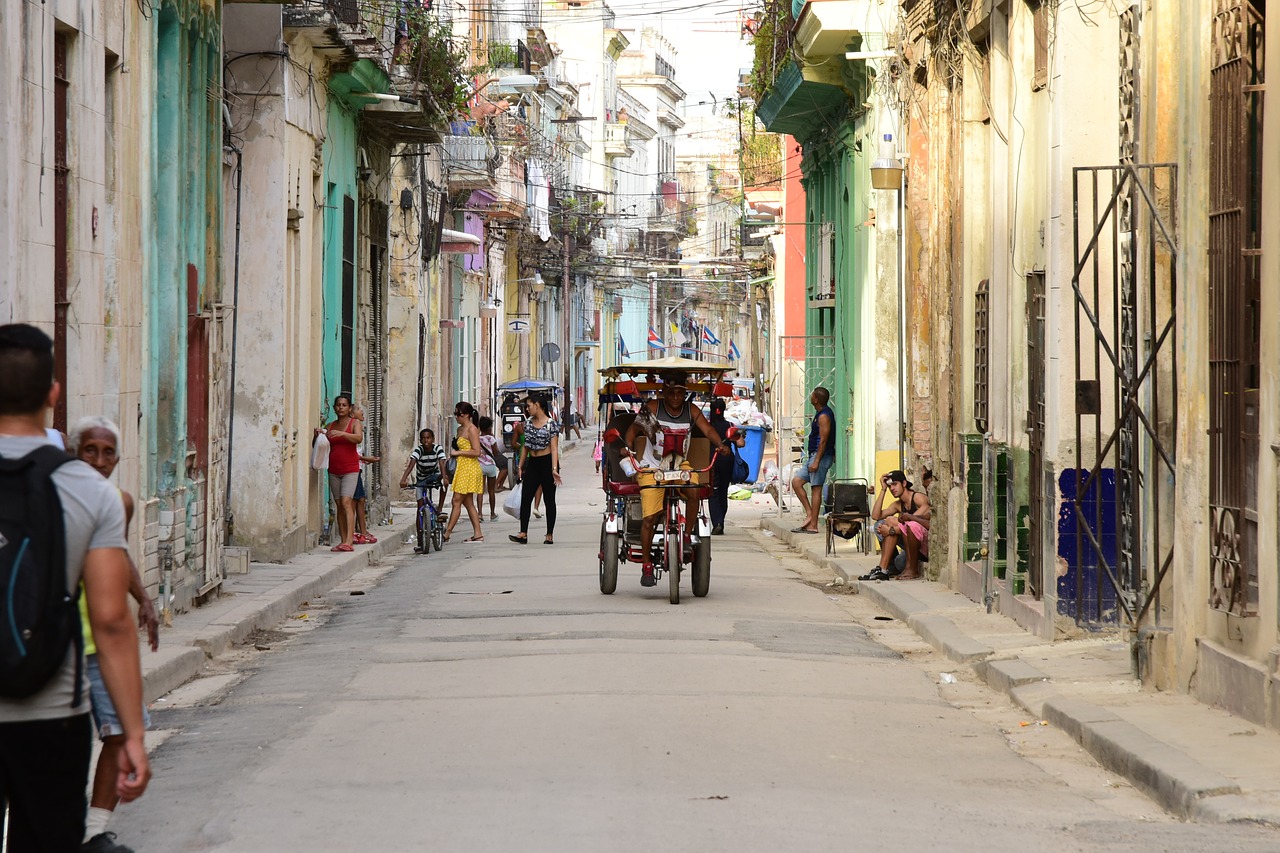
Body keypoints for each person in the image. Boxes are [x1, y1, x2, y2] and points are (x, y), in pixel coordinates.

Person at [0, 324, 150, 851]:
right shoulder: (89, 490)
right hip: (52, 711)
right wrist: (131, 733)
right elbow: (110, 621)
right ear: (53, 394)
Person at [70, 416, 160, 853]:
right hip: (63, 645)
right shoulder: (54, 498)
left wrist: (143, 600)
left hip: (100, 646)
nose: (99, 461)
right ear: (74, 452)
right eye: (90, 451)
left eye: (108, 453)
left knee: (122, 734)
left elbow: (118, 556)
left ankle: (95, 830)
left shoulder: (117, 502)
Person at [623, 371, 724, 587]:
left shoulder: (691, 410)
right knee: (649, 518)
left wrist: (721, 444)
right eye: (671, 393)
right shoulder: (652, 408)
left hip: (680, 465)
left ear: (684, 393)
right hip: (653, 467)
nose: (676, 398)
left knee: (695, 489)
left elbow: (707, 430)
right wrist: (627, 449)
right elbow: (633, 430)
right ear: (664, 392)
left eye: (680, 393)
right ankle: (647, 565)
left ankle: (686, 535)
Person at [509, 394, 562, 545]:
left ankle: (549, 534)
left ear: (538, 405)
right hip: (533, 463)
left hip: (547, 463)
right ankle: (523, 533)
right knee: (526, 497)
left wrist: (554, 469)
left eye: (529, 405)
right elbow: (526, 446)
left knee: (549, 499)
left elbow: (554, 448)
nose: (527, 408)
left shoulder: (551, 424)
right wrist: (520, 466)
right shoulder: (528, 424)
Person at [865, 469, 932, 580]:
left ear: (904, 483)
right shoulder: (898, 504)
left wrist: (891, 530)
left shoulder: (918, 498)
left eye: (895, 484)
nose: (892, 489)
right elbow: (876, 516)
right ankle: (883, 569)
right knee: (880, 524)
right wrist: (883, 489)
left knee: (899, 562)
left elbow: (912, 524)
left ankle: (887, 567)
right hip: (908, 543)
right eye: (890, 486)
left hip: (922, 545)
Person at [789, 387, 836, 534]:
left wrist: (816, 461)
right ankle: (810, 514)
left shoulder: (824, 416)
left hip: (820, 456)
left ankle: (813, 524)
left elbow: (823, 440)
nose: (810, 396)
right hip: (814, 456)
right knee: (796, 482)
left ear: (816, 399)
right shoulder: (819, 414)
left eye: (812, 395)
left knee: (816, 487)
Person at [319, 395, 362, 552]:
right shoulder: (330, 426)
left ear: (349, 408)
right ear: (335, 408)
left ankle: (349, 541)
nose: (341, 408)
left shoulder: (354, 423)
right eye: (338, 405)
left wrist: (342, 434)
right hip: (333, 470)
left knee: (346, 502)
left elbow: (358, 438)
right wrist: (317, 435)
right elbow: (320, 446)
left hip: (350, 469)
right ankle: (343, 539)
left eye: (344, 405)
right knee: (339, 505)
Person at [444, 402, 484, 542]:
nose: (456, 417)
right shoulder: (460, 429)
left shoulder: (472, 429)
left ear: (466, 415)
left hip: (469, 468)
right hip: (461, 467)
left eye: (458, 414)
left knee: (456, 501)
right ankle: (478, 533)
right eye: (455, 414)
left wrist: (458, 452)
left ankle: (447, 533)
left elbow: (477, 451)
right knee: (467, 502)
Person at [707, 397, 746, 536]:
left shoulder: (706, 427)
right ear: (723, 410)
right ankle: (720, 522)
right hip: (726, 461)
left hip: (710, 461)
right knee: (723, 491)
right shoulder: (730, 425)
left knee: (713, 492)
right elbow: (741, 443)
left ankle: (717, 522)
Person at [350, 404, 380, 545]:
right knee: (357, 500)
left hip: (358, 468)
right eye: (358, 410)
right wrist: (365, 459)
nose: (362, 411)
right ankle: (360, 532)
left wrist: (364, 459)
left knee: (360, 500)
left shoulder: (357, 426)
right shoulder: (354, 426)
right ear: (352, 414)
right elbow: (352, 453)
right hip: (353, 468)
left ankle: (361, 530)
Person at [399, 427, 449, 510]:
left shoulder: (437, 448)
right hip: (421, 479)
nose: (426, 440)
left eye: (428, 438)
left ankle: (440, 508)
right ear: (420, 441)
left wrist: (444, 478)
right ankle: (420, 521)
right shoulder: (418, 450)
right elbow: (410, 466)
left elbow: (441, 464)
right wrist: (403, 480)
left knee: (445, 480)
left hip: (434, 476)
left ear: (433, 439)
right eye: (423, 438)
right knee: (420, 508)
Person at [477, 416, 509, 520]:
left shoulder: (477, 438)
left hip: (480, 466)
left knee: (480, 491)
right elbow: (495, 453)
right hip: (490, 466)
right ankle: (492, 513)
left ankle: (480, 514)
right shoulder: (491, 438)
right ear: (490, 428)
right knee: (491, 491)